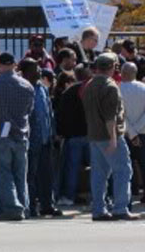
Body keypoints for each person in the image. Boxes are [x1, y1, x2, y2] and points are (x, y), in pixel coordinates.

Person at [0, 52, 33, 221]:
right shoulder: (27, 86)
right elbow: (29, 111)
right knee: (20, 175)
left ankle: (12, 207)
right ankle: (21, 207)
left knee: (1, 174)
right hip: (21, 134)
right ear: (14, 64)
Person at [83, 53, 138, 221]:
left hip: (94, 135)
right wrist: (113, 138)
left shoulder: (89, 85)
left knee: (98, 174)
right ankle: (120, 208)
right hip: (109, 136)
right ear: (112, 67)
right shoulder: (110, 87)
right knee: (123, 170)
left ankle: (98, 209)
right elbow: (110, 117)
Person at [20, 59, 61, 217]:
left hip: (45, 139)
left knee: (46, 175)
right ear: (26, 72)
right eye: (35, 69)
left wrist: (53, 133)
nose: (39, 71)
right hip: (30, 140)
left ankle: (47, 205)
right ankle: (30, 207)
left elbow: (49, 113)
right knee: (30, 176)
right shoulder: (22, 88)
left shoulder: (42, 88)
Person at [54, 66, 90, 206]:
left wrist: (62, 132)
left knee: (72, 168)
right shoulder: (90, 90)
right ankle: (99, 197)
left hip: (73, 136)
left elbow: (61, 115)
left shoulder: (68, 93)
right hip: (90, 133)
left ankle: (69, 196)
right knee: (98, 168)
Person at [119, 61, 145, 203]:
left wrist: (131, 131)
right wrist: (137, 129)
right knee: (143, 163)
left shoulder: (117, 89)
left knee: (125, 164)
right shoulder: (143, 88)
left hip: (124, 133)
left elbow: (120, 114)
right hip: (143, 132)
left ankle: (129, 191)